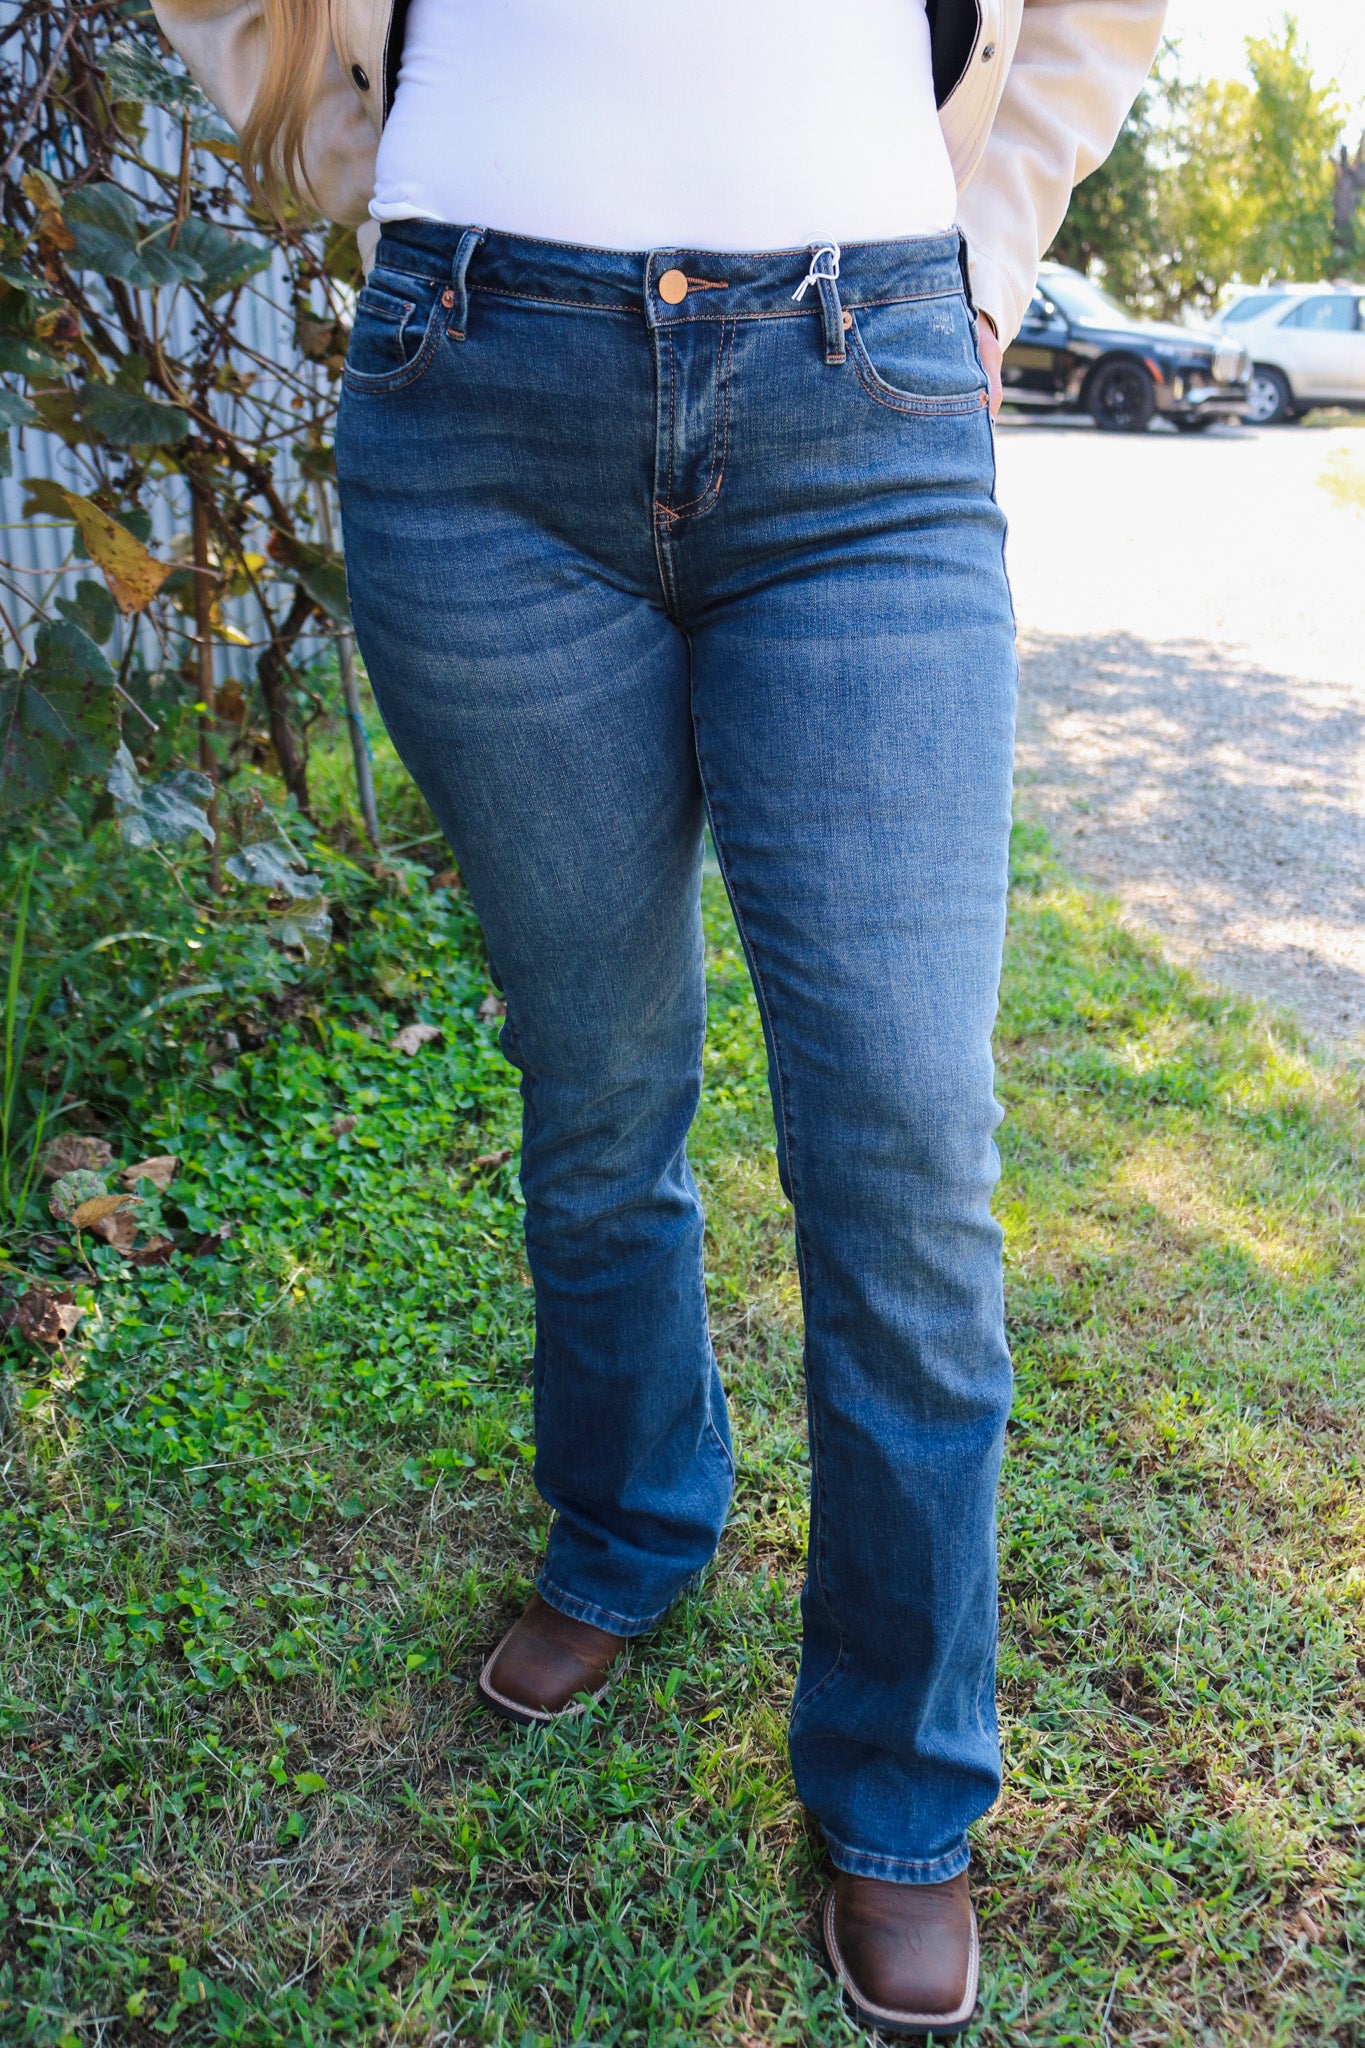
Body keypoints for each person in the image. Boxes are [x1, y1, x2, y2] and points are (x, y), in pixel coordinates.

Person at [152, 0, 1166, 2032]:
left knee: (903, 1147)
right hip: (475, 397)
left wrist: (985, 249)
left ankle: (899, 1784)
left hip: (860, 389)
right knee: (598, 1077)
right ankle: (627, 1520)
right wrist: (355, 152)